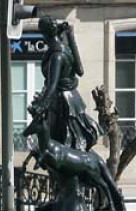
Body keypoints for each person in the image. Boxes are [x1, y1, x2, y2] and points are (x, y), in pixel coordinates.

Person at [28, 16, 102, 152]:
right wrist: (71, 38)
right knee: (71, 143)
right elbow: (80, 70)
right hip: (74, 99)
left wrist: (40, 107)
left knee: (56, 144)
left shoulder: (57, 55)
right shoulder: (66, 49)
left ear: (44, 34)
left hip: (62, 102)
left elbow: (53, 85)